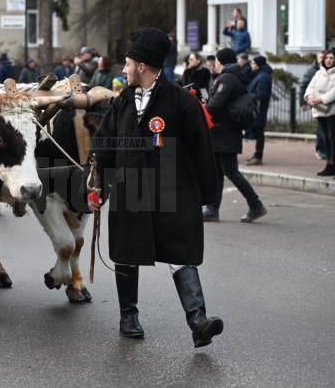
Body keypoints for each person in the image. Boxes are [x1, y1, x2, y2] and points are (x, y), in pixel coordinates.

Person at [89, 27, 223, 347]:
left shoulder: (180, 101)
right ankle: (128, 316)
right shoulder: (122, 101)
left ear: (143, 66)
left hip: (171, 190)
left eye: (128, 63)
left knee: (180, 253)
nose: (124, 70)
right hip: (129, 189)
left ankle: (198, 320)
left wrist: (206, 196)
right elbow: (103, 149)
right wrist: (96, 189)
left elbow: (202, 147)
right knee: (127, 251)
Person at [203, 47, 267, 223]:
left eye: (216, 60)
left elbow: (215, 105)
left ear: (221, 61)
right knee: (217, 172)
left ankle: (255, 205)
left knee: (231, 171)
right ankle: (212, 209)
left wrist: (200, 107)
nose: (214, 64)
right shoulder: (229, 77)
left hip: (225, 132)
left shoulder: (228, 79)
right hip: (221, 132)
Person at [304, 50, 335, 177]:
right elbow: (310, 87)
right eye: (326, 58)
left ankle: (332, 164)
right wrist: (310, 97)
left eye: (331, 58)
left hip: (332, 110)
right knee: (325, 137)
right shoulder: (318, 72)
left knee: (333, 137)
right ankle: (328, 163)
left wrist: (321, 99)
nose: (328, 60)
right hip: (319, 109)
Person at [245, 56, 273, 166]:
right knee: (258, 132)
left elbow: (261, 95)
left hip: (258, 110)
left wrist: (248, 96)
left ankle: (258, 156)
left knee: (259, 133)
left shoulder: (263, 77)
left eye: (252, 63)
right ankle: (257, 155)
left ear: (258, 65)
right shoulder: (260, 75)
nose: (250, 65)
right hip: (256, 109)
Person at [300, 52, 326, 160]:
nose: (323, 59)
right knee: (321, 127)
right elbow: (303, 87)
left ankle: (326, 149)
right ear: (317, 58)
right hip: (315, 103)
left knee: (326, 128)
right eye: (321, 57)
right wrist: (303, 103)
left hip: (327, 102)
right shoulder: (311, 71)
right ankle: (320, 150)